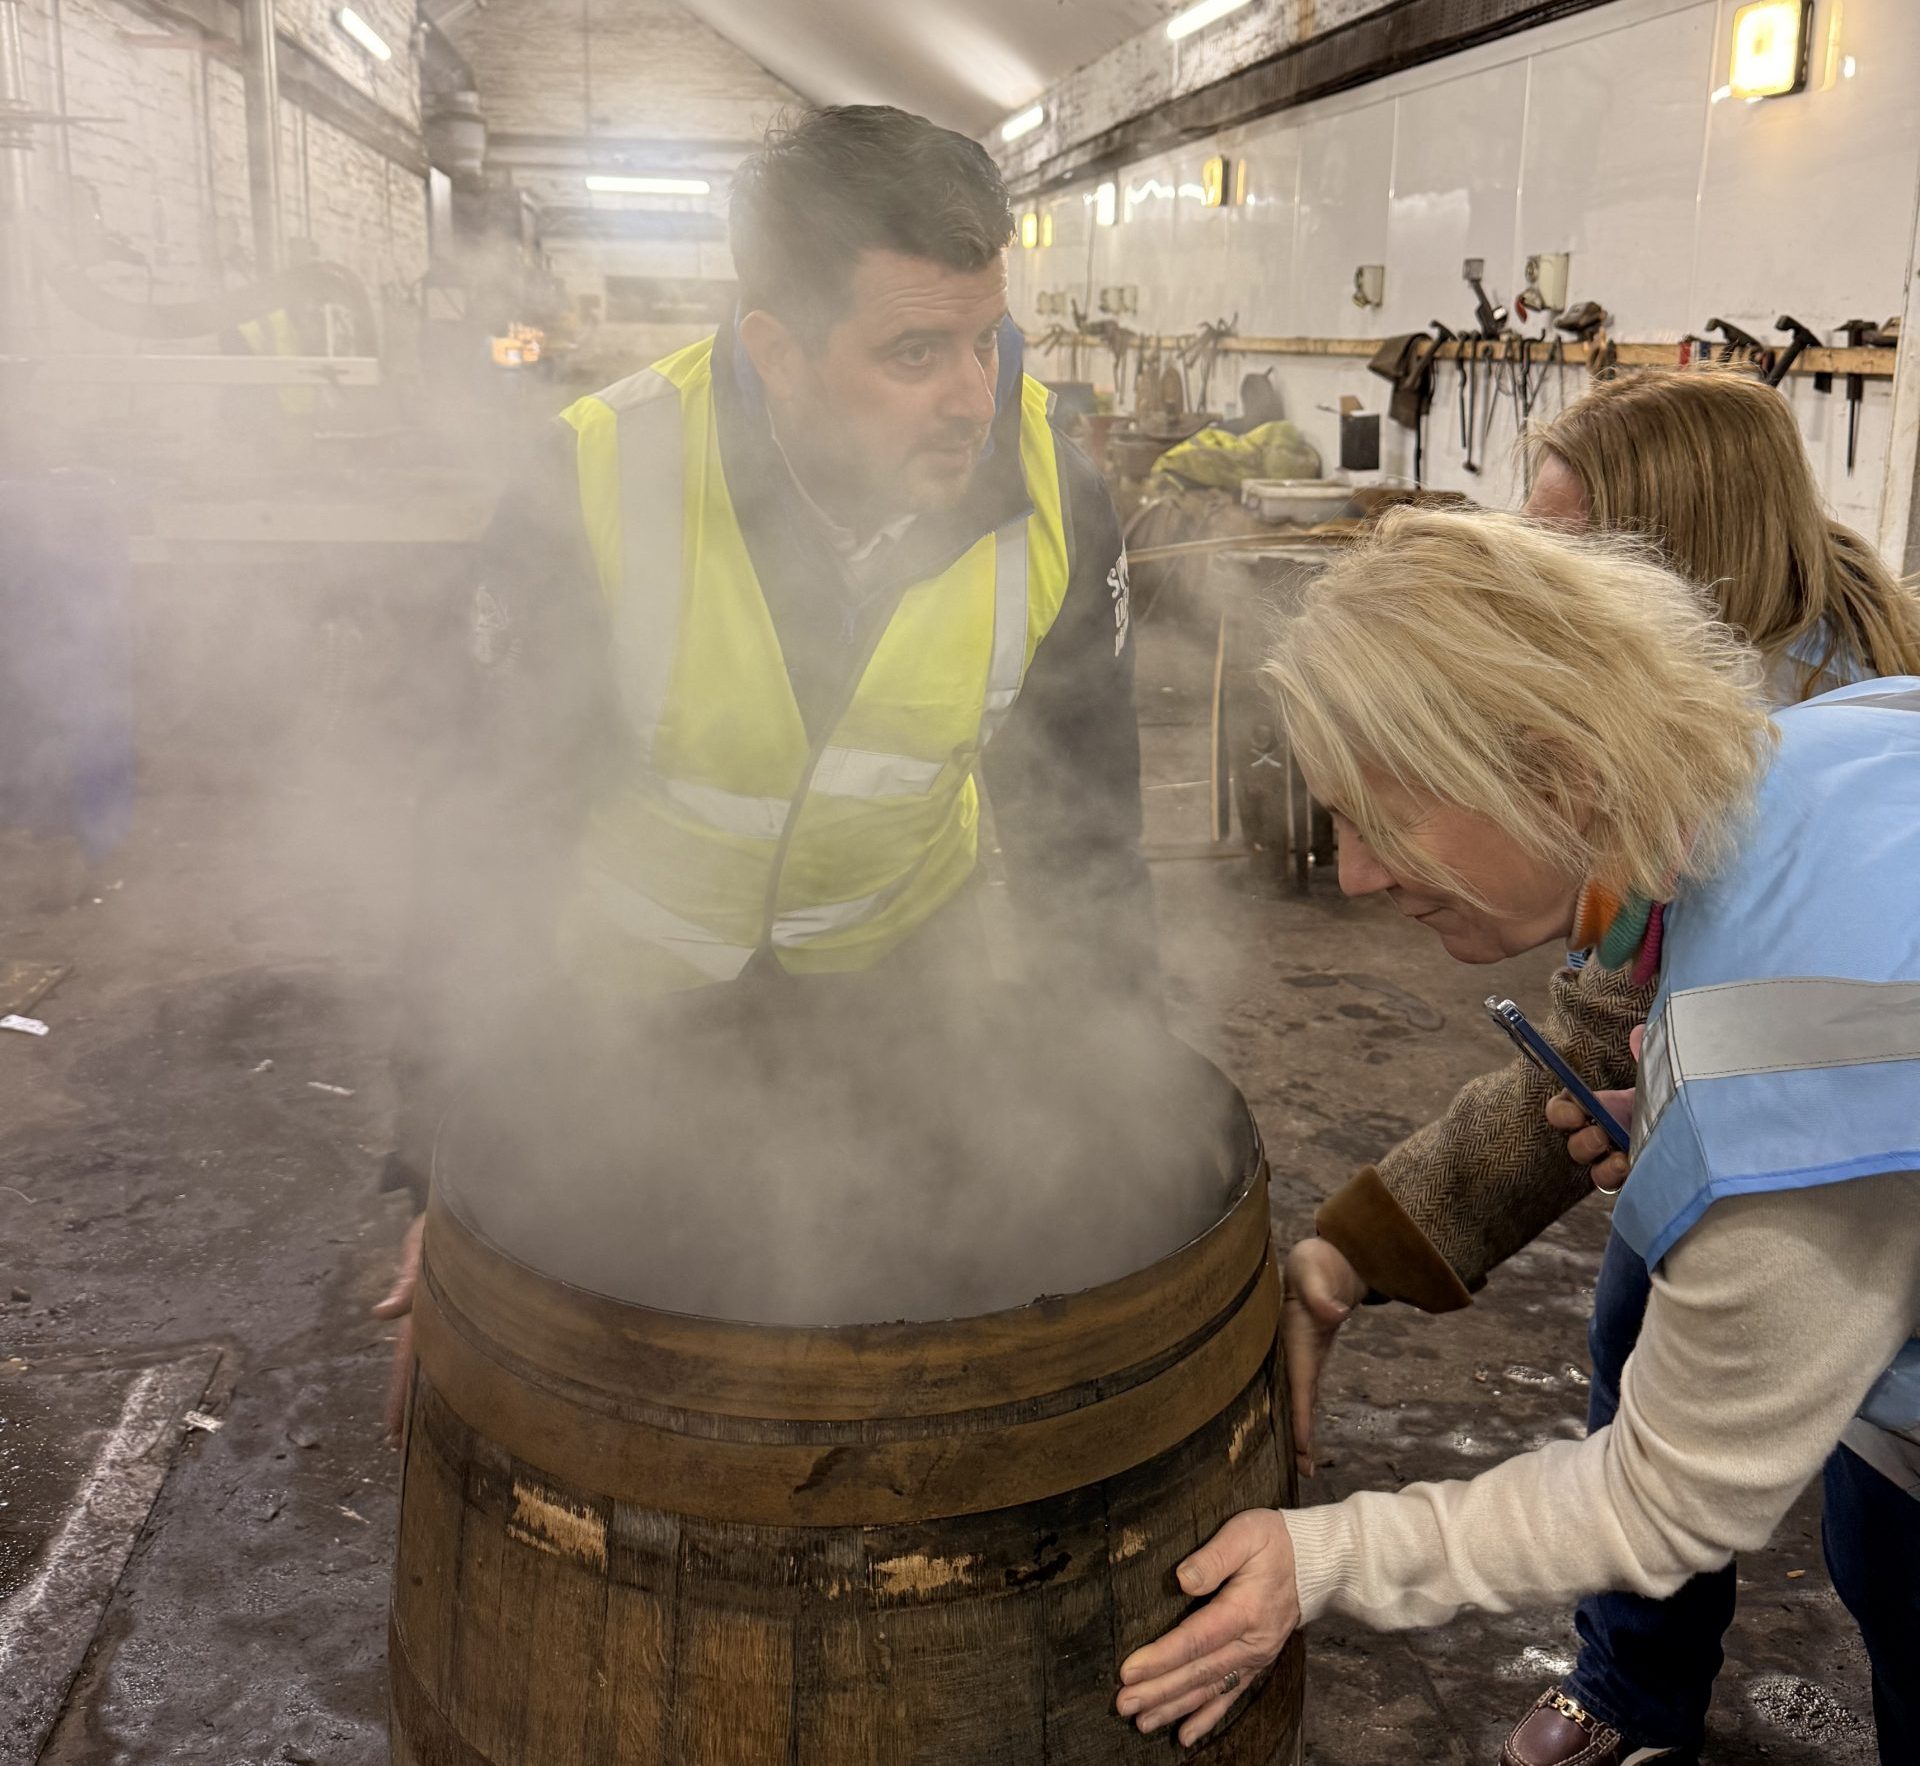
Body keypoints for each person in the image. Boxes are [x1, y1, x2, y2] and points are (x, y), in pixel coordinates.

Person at [372, 105, 1155, 1422]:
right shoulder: (596, 483)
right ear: (777, 355)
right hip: (630, 1018)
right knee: (632, 1382)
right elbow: (480, 845)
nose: (977, 395)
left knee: (894, 1384)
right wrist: (447, 1184)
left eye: (988, 338)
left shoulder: (1053, 499)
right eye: (914, 352)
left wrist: (1125, 1140)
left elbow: (1089, 840)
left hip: (906, 999)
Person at [1114, 508, 1920, 1764]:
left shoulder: (1781, 1058)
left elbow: (1668, 1497)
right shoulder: (1827, 744)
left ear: (1554, 773)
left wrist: (1316, 1554)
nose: (1355, 875)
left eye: (1382, 817)